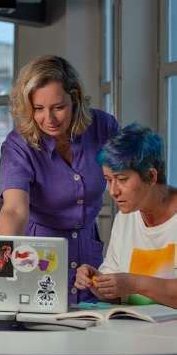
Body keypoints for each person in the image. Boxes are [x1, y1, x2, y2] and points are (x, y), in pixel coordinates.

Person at [0, 55, 119, 303]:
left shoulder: (103, 127)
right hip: (38, 254)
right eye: (38, 109)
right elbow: (14, 210)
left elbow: (130, 181)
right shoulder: (18, 144)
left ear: (74, 98)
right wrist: (2, 270)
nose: (49, 119)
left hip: (88, 251)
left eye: (58, 107)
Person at [74, 124, 177, 308]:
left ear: (151, 176)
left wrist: (133, 283)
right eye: (108, 180)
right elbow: (115, 295)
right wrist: (98, 282)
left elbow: (130, 284)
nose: (113, 191)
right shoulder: (125, 217)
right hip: (132, 330)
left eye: (122, 179)